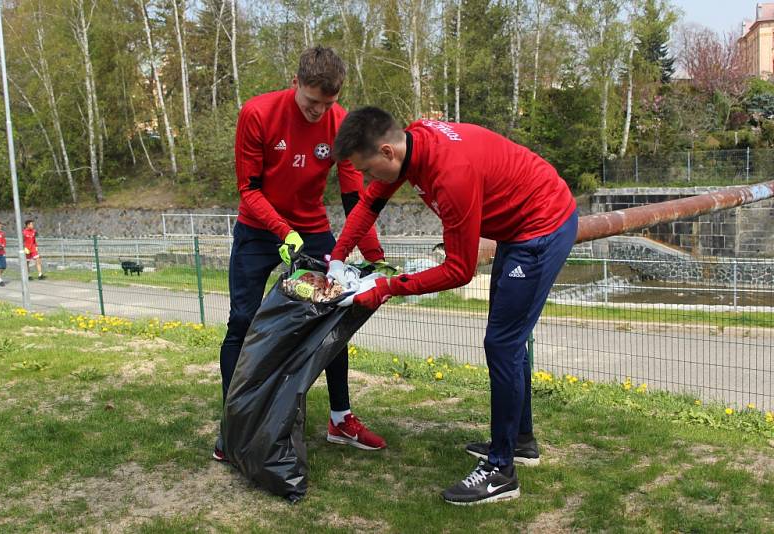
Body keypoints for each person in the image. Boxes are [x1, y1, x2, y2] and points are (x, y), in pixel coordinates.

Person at [328, 107, 578, 505]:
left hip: (540, 227)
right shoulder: (413, 143)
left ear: (388, 152)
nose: (368, 179)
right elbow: (368, 206)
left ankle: (501, 470)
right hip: (518, 225)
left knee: (502, 344)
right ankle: (520, 440)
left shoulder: (451, 175)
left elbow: (459, 270)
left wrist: (387, 287)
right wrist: (337, 257)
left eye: (369, 170)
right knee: (506, 342)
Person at [214, 46, 390, 462]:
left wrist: (374, 253)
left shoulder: (339, 123)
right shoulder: (257, 114)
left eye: (326, 104)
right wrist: (281, 232)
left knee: (334, 316)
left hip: (311, 229)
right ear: (296, 84)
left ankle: (340, 418)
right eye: (312, 102)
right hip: (259, 228)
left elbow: (354, 196)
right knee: (241, 320)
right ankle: (233, 424)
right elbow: (248, 189)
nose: (318, 111)